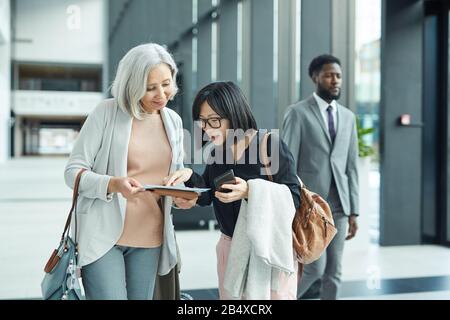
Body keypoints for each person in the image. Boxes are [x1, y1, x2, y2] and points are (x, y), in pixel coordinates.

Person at [64, 43, 187, 300]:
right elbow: (73, 171)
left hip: (151, 237)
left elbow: (174, 176)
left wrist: (181, 195)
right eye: (150, 87)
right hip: (103, 236)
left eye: (166, 84)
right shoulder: (106, 113)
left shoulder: (173, 121)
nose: (161, 94)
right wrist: (112, 184)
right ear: (131, 85)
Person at [165, 81, 301, 299]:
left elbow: (294, 198)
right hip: (231, 249)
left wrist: (250, 191)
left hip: (268, 250)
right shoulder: (217, 153)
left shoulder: (269, 145)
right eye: (202, 122)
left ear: (234, 114)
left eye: (214, 121)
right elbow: (210, 193)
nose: (207, 129)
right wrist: (190, 180)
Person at [282, 54, 359, 300]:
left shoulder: (348, 117)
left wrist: (353, 210)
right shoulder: (298, 113)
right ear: (315, 77)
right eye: (328, 75)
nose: (335, 80)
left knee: (334, 272)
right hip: (310, 205)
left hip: (339, 205)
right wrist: (291, 204)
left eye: (338, 75)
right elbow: (287, 162)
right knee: (315, 268)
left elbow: (351, 166)